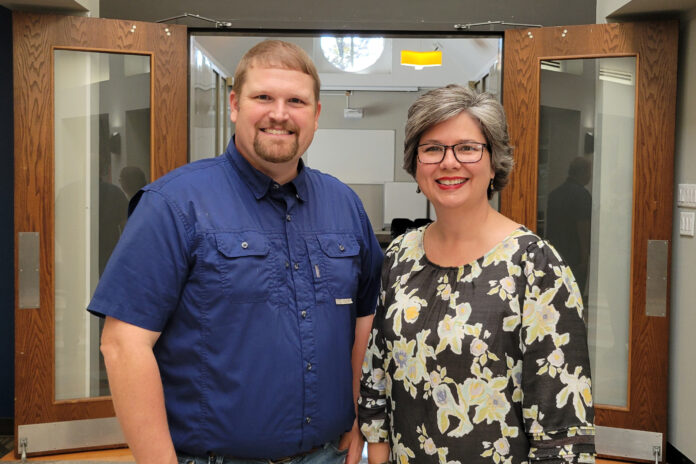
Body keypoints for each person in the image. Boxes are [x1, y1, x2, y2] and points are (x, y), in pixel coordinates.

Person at [88, 40, 383, 464]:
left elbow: (365, 316)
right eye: (263, 97)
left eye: (296, 101)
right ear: (234, 105)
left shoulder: (344, 205)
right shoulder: (173, 204)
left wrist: (358, 418)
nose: (279, 113)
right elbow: (122, 345)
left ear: (316, 115)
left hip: (327, 455)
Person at [358, 85, 595, 464]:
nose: (448, 163)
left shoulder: (534, 266)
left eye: (467, 148)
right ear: (415, 163)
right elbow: (378, 378)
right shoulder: (400, 255)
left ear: (494, 161)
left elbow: (561, 428)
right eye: (432, 148)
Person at [546, 156, 593, 299]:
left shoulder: (554, 194)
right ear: (583, 173)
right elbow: (583, 227)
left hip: (555, 251)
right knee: (575, 295)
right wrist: (585, 257)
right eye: (589, 172)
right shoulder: (583, 195)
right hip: (575, 253)